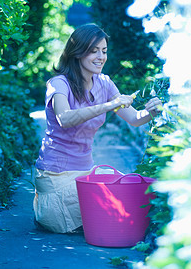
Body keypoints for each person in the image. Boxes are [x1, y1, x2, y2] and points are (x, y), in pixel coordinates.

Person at [33, 23, 162, 233]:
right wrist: (108, 105)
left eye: (104, 51)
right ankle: (48, 212)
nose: (100, 57)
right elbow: (64, 118)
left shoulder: (104, 83)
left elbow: (135, 119)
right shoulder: (58, 84)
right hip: (55, 175)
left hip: (85, 173)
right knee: (109, 217)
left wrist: (152, 112)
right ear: (77, 53)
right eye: (93, 51)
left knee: (130, 195)